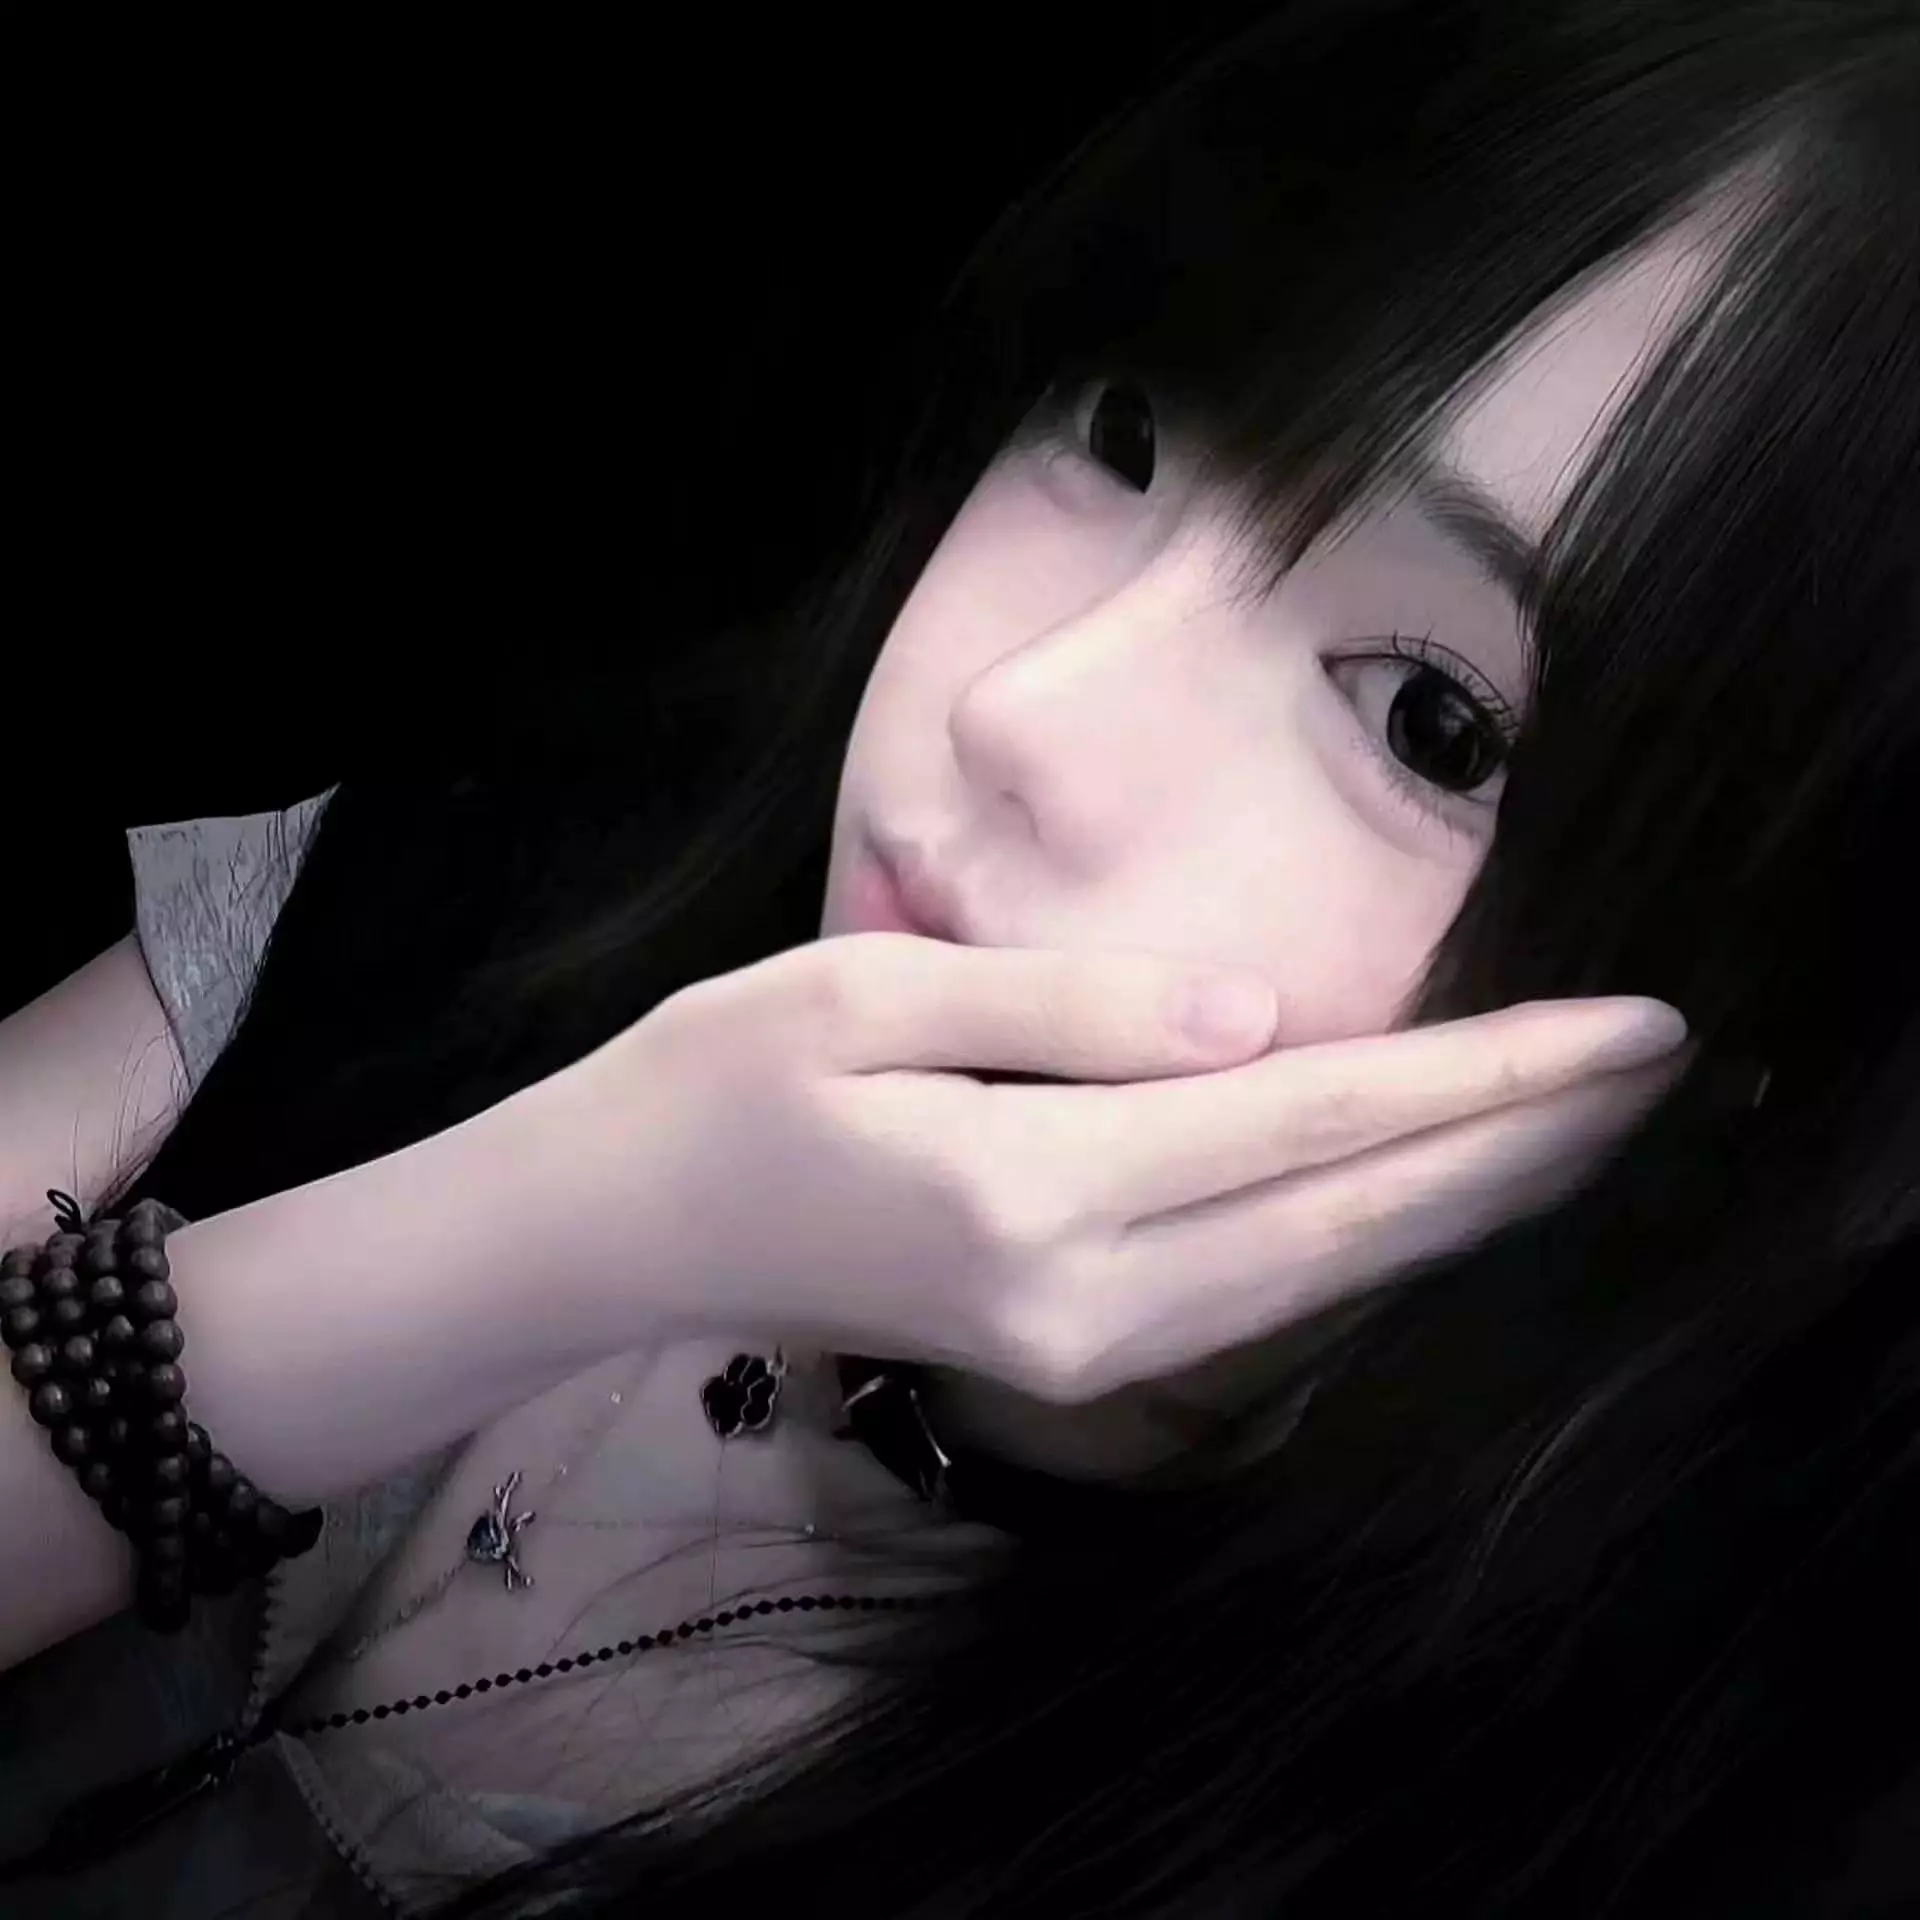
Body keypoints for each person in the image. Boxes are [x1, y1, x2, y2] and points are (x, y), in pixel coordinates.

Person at [2, 0, 1915, 1912]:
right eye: (1128, 429)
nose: (1021, 710)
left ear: (1753, 1042)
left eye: (1432, 724)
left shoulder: (1442, 1836)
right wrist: (562, 1227)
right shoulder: (489, 873)